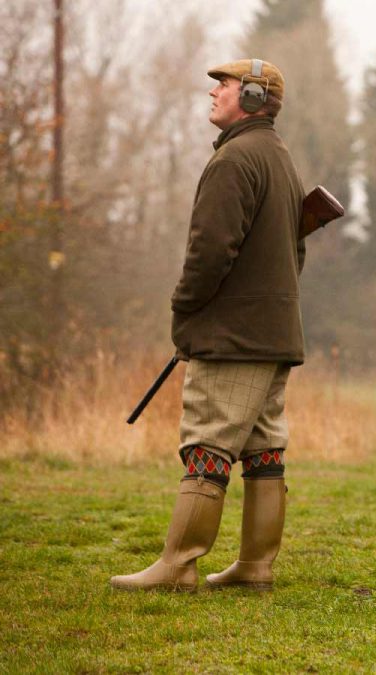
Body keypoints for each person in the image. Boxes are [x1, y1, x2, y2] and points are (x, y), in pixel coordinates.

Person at [110, 59, 305, 592]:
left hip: (233, 337)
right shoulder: (280, 159)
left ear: (254, 95)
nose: (214, 91)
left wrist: (186, 307)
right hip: (273, 333)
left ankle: (177, 566)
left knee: (208, 444)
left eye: (225, 84)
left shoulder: (234, 161)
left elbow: (209, 252)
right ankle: (254, 568)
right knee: (264, 448)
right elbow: (296, 250)